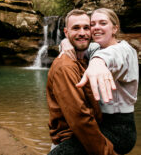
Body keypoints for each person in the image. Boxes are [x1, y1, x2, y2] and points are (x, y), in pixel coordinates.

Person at [59, 8, 138, 154]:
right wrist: (65, 42)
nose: (96, 28)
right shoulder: (96, 47)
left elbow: (112, 56)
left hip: (120, 129)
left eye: (103, 23)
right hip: (100, 122)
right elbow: (80, 45)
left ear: (115, 28)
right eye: (93, 24)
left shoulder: (125, 51)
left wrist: (97, 63)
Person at [46, 9, 116, 155]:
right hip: (72, 144)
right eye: (76, 28)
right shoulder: (65, 67)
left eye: (86, 27)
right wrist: (107, 151)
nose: (82, 33)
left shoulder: (85, 58)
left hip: (85, 142)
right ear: (66, 32)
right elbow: (80, 119)